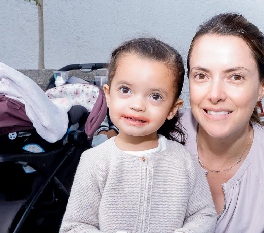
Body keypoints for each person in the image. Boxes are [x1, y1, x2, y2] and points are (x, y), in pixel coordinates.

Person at [60, 37, 217, 233]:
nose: (137, 105)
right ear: (108, 95)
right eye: (125, 90)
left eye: (155, 96)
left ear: (172, 109)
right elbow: (74, 227)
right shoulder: (94, 160)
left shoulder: (183, 161)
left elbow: (205, 215)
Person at [179, 13, 264, 232]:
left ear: (262, 86)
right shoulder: (160, 134)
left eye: (235, 77)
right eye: (201, 75)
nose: (215, 94)